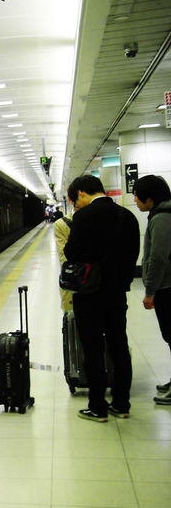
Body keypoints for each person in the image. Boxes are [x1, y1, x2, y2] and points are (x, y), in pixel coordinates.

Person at [63, 174, 140, 421]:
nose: (76, 205)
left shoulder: (83, 217)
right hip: (117, 292)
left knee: (93, 349)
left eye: (75, 201)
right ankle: (121, 403)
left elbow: (71, 252)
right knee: (119, 346)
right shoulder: (127, 216)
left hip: (89, 293)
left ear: (81, 193)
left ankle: (97, 406)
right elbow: (133, 254)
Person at [132, 174, 171, 404]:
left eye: (137, 196)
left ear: (150, 198)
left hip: (166, 287)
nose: (134, 200)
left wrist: (149, 291)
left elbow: (158, 258)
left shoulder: (162, 218)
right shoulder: (161, 215)